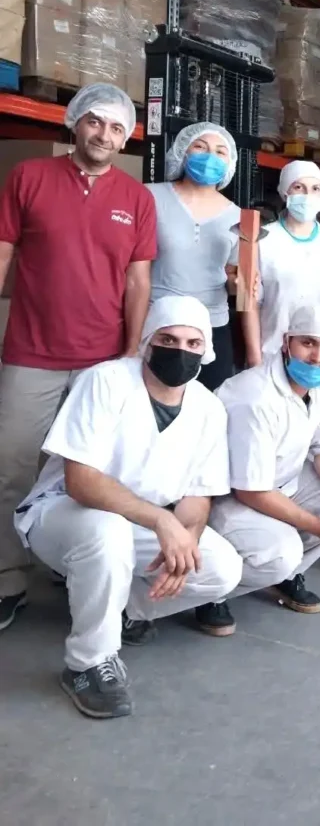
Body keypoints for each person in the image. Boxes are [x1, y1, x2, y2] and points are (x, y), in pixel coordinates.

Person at [13, 296, 243, 719]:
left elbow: (198, 496)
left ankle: (122, 607)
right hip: (63, 514)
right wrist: (161, 521)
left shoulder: (208, 408)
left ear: (206, 350)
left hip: (141, 524)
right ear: (147, 341)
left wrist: (183, 543)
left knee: (221, 568)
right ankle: (88, 664)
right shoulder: (105, 381)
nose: (180, 350)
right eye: (168, 339)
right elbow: (81, 481)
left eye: (193, 343)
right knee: (108, 532)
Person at [0, 83, 157, 633]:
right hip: (32, 352)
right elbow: (3, 252)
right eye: (94, 122)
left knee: (91, 473)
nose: (103, 135)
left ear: (125, 138)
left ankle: (78, 569)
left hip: (101, 361)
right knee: (13, 466)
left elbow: (138, 281)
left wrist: (130, 354)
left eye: (116, 128)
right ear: (74, 123)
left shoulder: (136, 200)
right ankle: (8, 578)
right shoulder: (29, 178)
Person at [210, 304, 320, 616]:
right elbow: (250, 491)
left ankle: (284, 577)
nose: (317, 357)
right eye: (308, 343)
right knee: (282, 552)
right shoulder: (254, 397)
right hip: (226, 498)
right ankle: (211, 594)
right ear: (286, 342)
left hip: (278, 485)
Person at [147, 123, 241, 392]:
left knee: (207, 404)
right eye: (200, 147)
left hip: (212, 327)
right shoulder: (150, 196)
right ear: (182, 152)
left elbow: (233, 277)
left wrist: (240, 285)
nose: (211, 157)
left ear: (230, 163)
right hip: (159, 322)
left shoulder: (238, 216)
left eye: (221, 152)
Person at [241, 161, 320, 368]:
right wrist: (254, 358)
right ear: (285, 193)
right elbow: (249, 304)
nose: (307, 195)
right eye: (298, 187)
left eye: (315, 189)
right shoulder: (261, 240)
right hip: (273, 353)